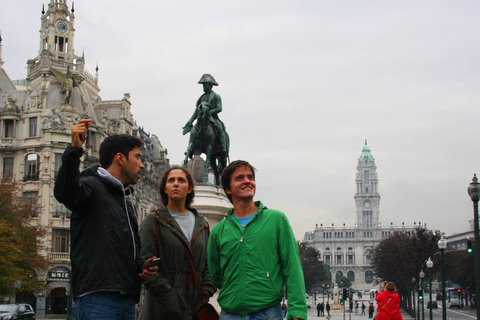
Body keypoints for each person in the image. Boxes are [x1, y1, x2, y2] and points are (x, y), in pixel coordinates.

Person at [54, 119, 157, 320]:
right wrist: (74, 149)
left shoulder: (126, 203)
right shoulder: (91, 186)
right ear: (120, 158)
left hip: (126, 298)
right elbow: (65, 192)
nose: (142, 164)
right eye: (137, 157)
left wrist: (141, 267)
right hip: (97, 297)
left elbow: (121, 249)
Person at [208, 160, 307, 320]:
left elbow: (292, 268)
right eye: (240, 178)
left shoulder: (276, 220)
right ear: (227, 188)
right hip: (229, 314)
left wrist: (298, 312)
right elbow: (216, 274)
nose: (247, 181)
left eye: (250, 177)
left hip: (267, 313)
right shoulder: (218, 230)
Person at [138, 166, 215, 319]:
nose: (175, 184)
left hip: (196, 308)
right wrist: (170, 297)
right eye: (170, 180)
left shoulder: (202, 224)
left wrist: (206, 291)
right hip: (162, 308)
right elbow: (144, 262)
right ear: (164, 189)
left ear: (190, 188)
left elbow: (209, 264)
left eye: (181, 180)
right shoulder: (154, 220)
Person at [183, 73, 227, 152]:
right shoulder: (202, 97)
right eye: (203, 85)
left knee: (220, 128)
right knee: (193, 130)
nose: (203, 87)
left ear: (209, 85)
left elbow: (219, 108)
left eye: (204, 85)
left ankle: (223, 146)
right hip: (202, 118)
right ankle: (189, 148)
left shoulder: (216, 96)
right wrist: (189, 121)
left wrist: (210, 112)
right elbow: (197, 111)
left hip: (212, 118)